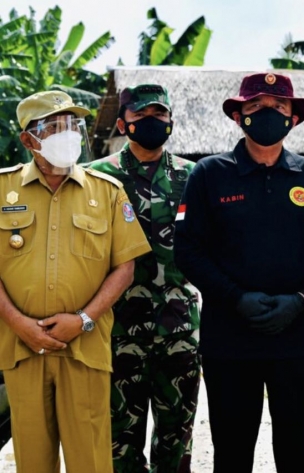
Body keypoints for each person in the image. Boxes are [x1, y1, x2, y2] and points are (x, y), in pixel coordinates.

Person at [174, 72, 304, 472]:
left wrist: (302, 300)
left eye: (278, 107)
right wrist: (234, 298)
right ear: (238, 116)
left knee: (300, 452)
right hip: (230, 341)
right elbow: (188, 250)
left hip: (298, 340)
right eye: (256, 106)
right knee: (231, 451)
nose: (268, 113)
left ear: (293, 118)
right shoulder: (209, 174)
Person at [0, 91, 151, 472]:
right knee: (33, 461)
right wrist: (20, 324)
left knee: (91, 461)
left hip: (85, 348)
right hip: (23, 349)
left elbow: (125, 268)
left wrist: (82, 319)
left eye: (71, 125)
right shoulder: (2, 190)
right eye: (53, 127)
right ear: (28, 139)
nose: (66, 134)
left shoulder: (107, 192)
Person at [87, 84, 200, 473]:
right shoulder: (96, 179)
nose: (152, 123)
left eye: (160, 116)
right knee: (119, 443)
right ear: (123, 124)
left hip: (180, 332)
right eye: (141, 118)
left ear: (171, 121)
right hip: (118, 332)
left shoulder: (194, 177)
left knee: (176, 442)